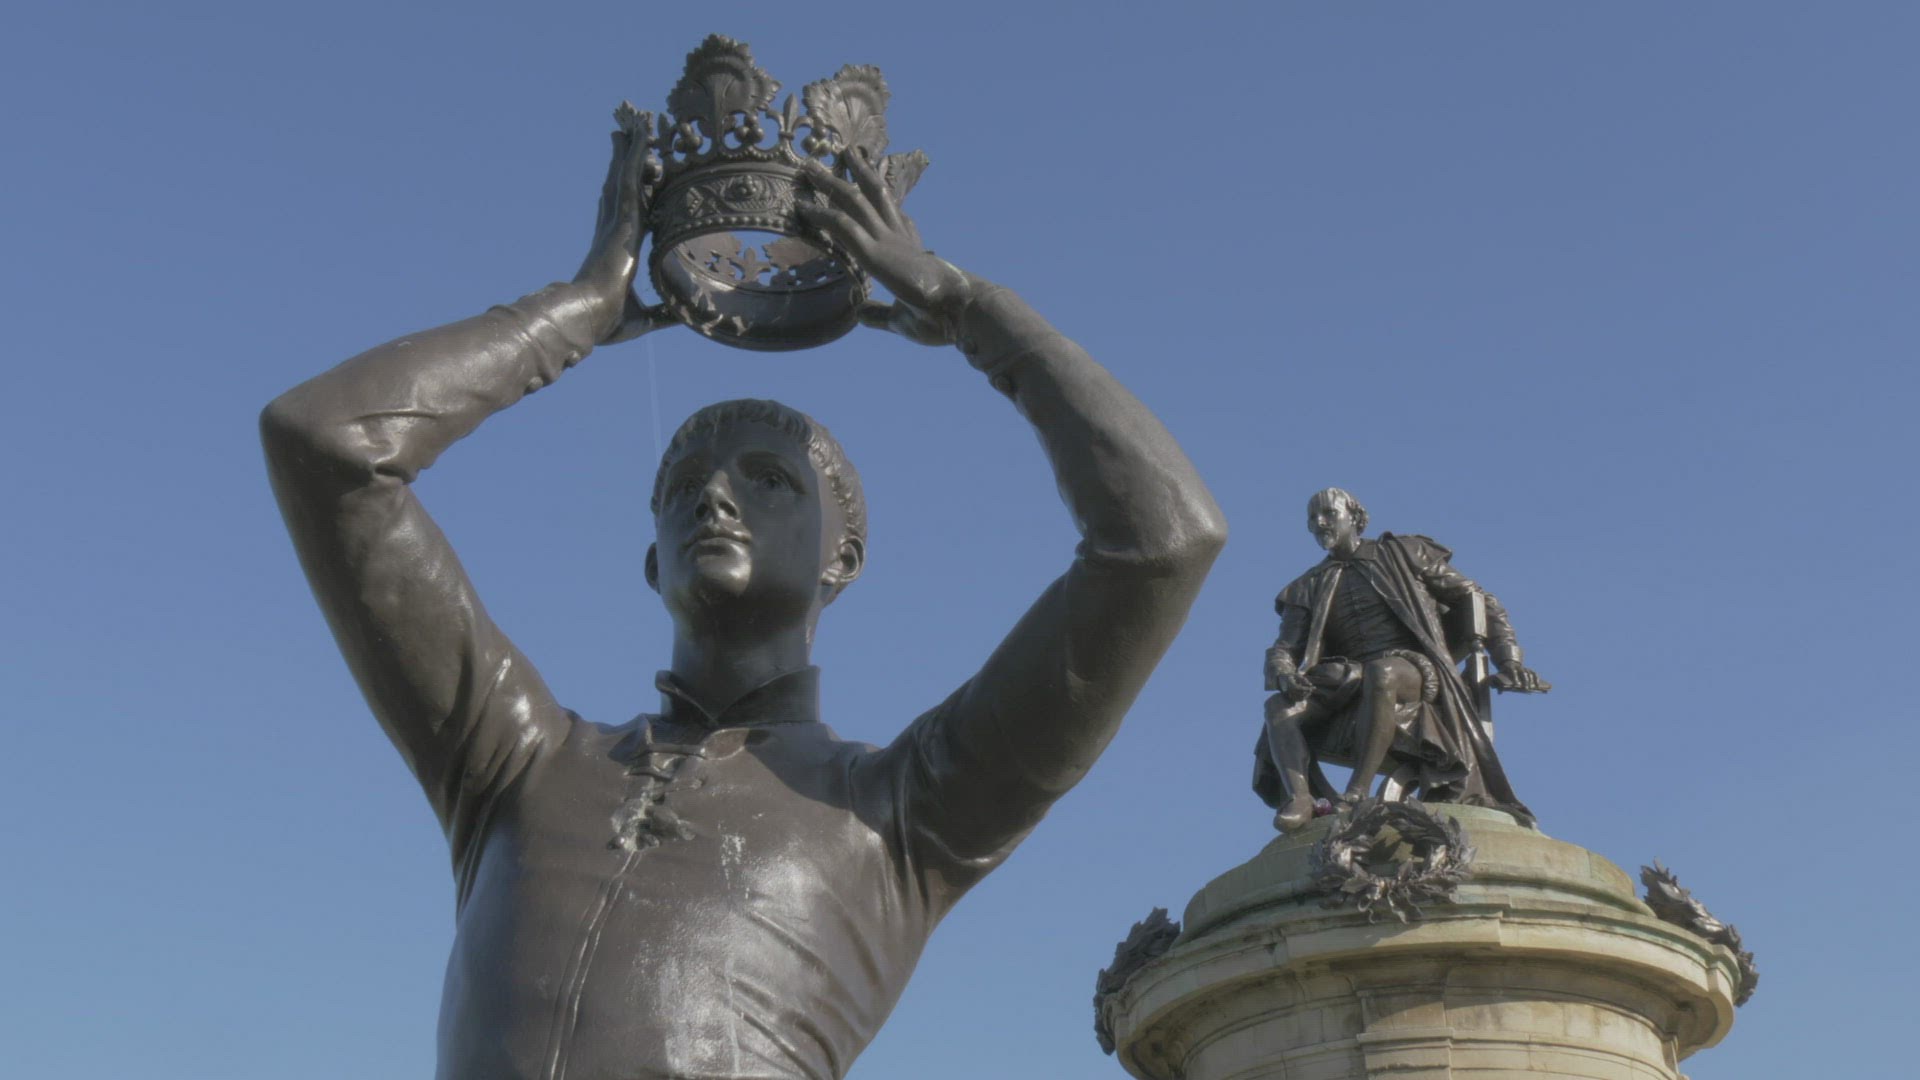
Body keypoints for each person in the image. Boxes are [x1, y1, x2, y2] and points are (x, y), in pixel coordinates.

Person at [260, 125, 1225, 1080]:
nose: (714, 499)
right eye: (684, 487)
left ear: (843, 558)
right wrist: (569, 315)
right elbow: (327, 444)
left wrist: (969, 307)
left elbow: (1164, 538)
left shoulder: (902, 814)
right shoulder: (513, 761)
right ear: (653, 565)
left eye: (768, 481)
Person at [1254, 487, 1547, 832]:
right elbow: (1285, 647)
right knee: (1278, 708)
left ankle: (1356, 792)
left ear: (1355, 517)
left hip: (1414, 668)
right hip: (1347, 680)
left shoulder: (1403, 553)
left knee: (1383, 672)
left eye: (1329, 513)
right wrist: (1285, 674)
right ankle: (1300, 798)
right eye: (1312, 519)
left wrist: (1509, 661)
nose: (1319, 523)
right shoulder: (1307, 586)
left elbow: (1479, 600)